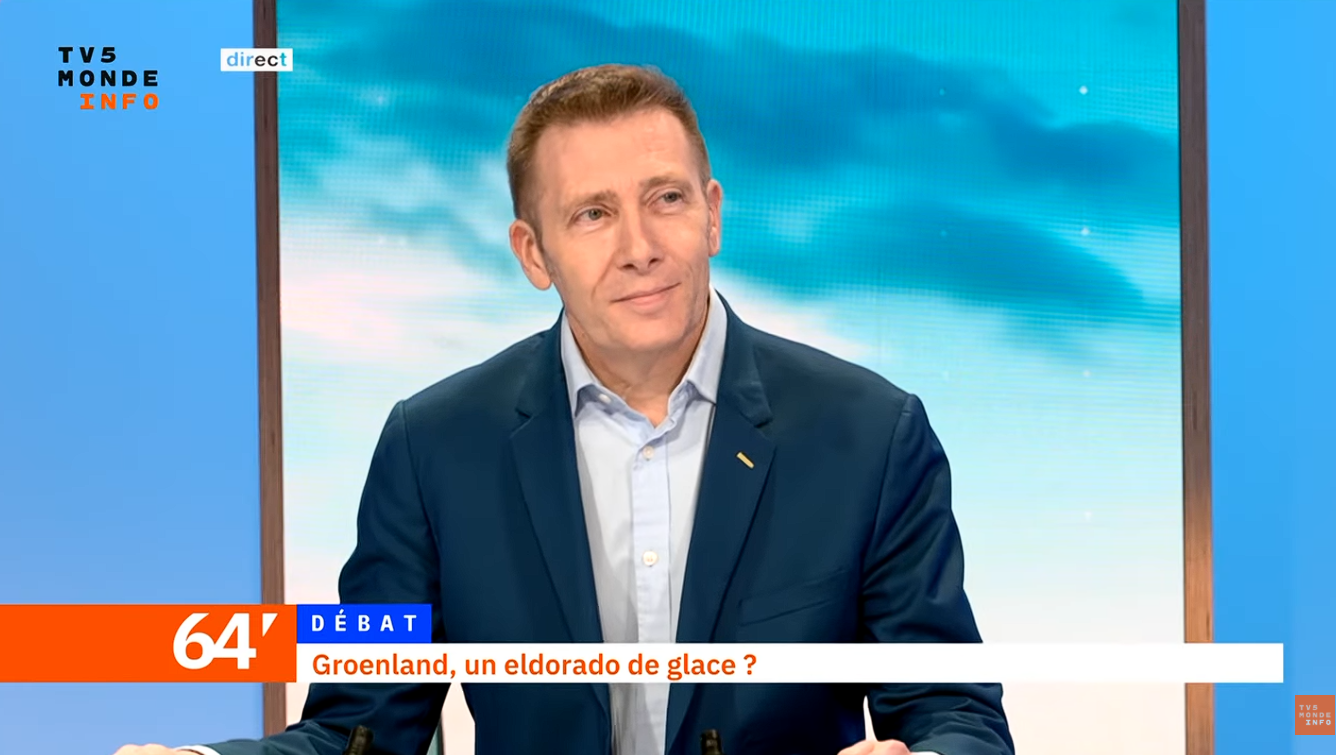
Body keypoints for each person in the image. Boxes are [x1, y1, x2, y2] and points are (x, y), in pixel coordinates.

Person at [115, 64, 1013, 755]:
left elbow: (956, 711)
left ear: (712, 215)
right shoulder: (433, 448)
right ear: (533, 252)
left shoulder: (869, 433)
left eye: (666, 199)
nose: (640, 247)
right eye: (592, 214)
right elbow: (361, 730)